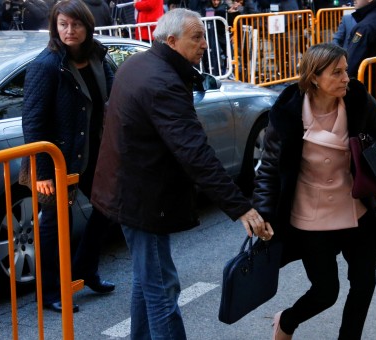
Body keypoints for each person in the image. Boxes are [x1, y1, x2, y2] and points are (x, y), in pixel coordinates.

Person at [90, 8, 272, 339]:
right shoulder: (161, 81)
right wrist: (240, 206)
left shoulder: (143, 65)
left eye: (204, 35)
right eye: (197, 37)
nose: (205, 44)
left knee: (149, 283)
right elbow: (195, 153)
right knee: (161, 289)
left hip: (131, 192)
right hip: (140, 198)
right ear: (171, 41)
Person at [253, 43, 376, 340]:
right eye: (337, 72)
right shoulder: (287, 113)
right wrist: (264, 213)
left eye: (346, 69)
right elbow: (269, 168)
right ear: (314, 77)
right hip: (310, 216)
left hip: (355, 209)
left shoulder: (356, 98)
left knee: (364, 281)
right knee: (325, 292)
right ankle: (287, 321)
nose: (347, 77)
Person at [22, 0, 116, 313]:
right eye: (63, 24)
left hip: (91, 154)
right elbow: (33, 122)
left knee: (108, 207)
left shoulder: (97, 56)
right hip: (56, 159)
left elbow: (114, 94)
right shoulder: (46, 65)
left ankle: (85, 270)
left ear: (87, 26)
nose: (69, 31)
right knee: (53, 225)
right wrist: (43, 171)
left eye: (75, 24)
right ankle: (48, 293)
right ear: (55, 26)